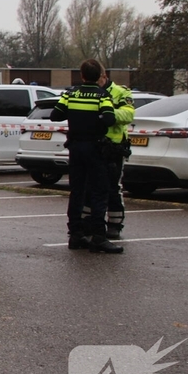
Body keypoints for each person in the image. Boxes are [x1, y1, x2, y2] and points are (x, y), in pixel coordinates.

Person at [50, 59, 122, 253]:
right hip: (95, 148)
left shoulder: (70, 94)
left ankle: (75, 235)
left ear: (81, 76)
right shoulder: (102, 96)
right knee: (99, 191)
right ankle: (98, 237)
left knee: (77, 191)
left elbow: (55, 115)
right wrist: (96, 119)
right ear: (99, 76)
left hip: (75, 148)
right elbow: (109, 119)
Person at [84, 72, 135, 240]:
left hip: (113, 147)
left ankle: (114, 224)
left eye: (97, 78)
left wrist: (107, 114)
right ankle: (87, 224)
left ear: (103, 76)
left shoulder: (121, 92)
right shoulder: (89, 91)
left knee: (112, 187)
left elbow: (128, 114)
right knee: (88, 187)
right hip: (92, 145)